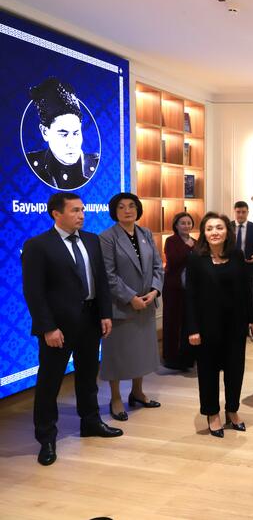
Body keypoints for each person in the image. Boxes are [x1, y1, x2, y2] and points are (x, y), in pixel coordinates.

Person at [22, 192, 121, 466]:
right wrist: (47, 328)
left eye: (82, 210)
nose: (81, 215)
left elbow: (101, 281)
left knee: (88, 377)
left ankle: (90, 422)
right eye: (75, 210)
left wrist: (105, 313)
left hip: (90, 320)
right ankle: (46, 437)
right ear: (57, 214)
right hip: (58, 327)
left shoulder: (91, 240)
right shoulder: (38, 245)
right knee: (49, 383)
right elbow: (34, 292)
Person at [185, 212, 253, 438]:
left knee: (235, 370)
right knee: (208, 372)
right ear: (204, 233)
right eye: (209, 229)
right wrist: (192, 328)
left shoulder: (237, 255)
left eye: (219, 228)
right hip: (206, 326)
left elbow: (247, 289)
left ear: (227, 231)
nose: (214, 232)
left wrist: (252, 318)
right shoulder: (195, 258)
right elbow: (190, 296)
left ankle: (232, 410)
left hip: (235, 324)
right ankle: (212, 413)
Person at [99, 193, 164, 421]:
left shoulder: (146, 233)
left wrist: (155, 290)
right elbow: (108, 275)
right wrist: (131, 297)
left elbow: (158, 266)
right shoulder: (107, 237)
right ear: (114, 212)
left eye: (132, 206)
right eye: (122, 207)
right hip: (121, 307)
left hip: (146, 304)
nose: (128, 210)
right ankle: (116, 398)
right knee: (116, 355)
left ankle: (137, 392)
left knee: (141, 352)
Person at [26, 77, 99, 190]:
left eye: (76, 133)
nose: (72, 143)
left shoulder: (97, 164)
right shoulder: (30, 166)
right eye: (63, 134)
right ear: (45, 132)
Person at [162, 212, 195, 370]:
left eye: (189, 223)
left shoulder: (195, 242)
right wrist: (187, 247)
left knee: (188, 323)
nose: (186, 226)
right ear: (176, 225)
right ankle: (171, 358)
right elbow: (174, 260)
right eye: (183, 223)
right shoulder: (171, 241)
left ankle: (187, 358)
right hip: (173, 289)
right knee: (172, 323)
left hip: (190, 289)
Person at [233, 200, 253, 339]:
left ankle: (251, 329)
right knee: (233, 297)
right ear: (234, 212)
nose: (241, 215)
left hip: (249, 268)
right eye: (238, 212)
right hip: (230, 268)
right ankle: (235, 328)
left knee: (249, 297)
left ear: (247, 212)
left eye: (243, 212)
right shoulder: (228, 226)